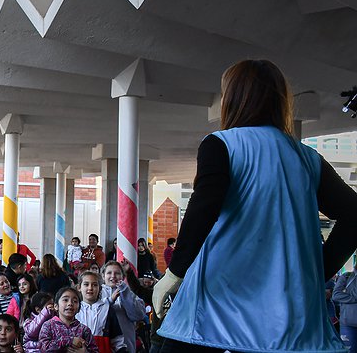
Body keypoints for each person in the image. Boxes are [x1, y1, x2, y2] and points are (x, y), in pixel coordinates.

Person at [152, 60, 357, 352]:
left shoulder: (221, 144)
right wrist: (315, 272)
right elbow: (354, 215)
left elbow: (203, 207)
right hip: (291, 326)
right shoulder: (308, 159)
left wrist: (174, 273)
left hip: (216, 314)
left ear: (234, 98)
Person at [76, 271, 124, 353]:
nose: (90, 288)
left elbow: (116, 338)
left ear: (100, 288)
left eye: (94, 285)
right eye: (86, 284)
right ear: (79, 288)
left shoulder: (107, 309)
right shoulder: (75, 309)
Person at [38, 287, 97, 353]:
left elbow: (95, 350)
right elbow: (43, 348)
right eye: (65, 300)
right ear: (56, 306)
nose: (70, 304)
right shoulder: (48, 326)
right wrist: (70, 340)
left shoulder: (84, 330)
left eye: (75, 301)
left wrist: (85, 352)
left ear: (79, 308)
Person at [333, 271, 357, 353]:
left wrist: (348, 296)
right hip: (348, 323)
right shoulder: (347, 276)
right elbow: (335, 295)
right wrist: (354, 298)